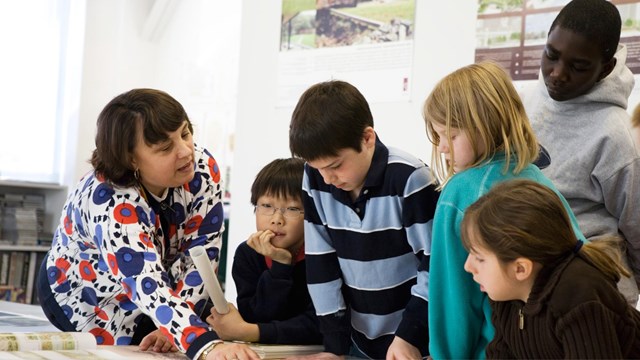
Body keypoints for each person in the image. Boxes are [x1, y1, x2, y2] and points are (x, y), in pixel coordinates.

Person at [36, 88, 258, 360]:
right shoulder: (110, 202)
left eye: (186, 133)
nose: (186, 151)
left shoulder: (201, 165)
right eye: (165, 147)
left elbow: (203, 249)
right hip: (83, 295)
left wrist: (179, 323)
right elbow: (144, 282)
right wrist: (207, 346)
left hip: (155, 282)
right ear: (130, 159)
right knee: (140, 349)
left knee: (178, 335)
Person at [424, 61, 587, 359]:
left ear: (484, 125)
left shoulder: (460, 193)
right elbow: (582, 262)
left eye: (451, 135)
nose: (443, 147)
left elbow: (453, 299)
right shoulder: (537, 180)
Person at [289, 80, 438, 359]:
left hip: (415, 341)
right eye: (317, 167)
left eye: (335, 166)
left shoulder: (410, 179)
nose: (327, 178)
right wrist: (334, 346)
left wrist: (409, 336)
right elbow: (322, 263)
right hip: (358, 343)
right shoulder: (315, 180)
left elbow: (433, 266)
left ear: (367, 138)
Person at [522, 0, 640, 304]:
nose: (558, 74)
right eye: (551, 55)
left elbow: (636, 227)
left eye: (579, 66)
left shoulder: (615, 137)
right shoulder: (531, 99)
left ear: (606, 68)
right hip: (530, 278)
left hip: (591, 290)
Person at [461, 179, 640, 358]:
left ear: (521, 269)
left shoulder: (578, 295)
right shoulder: (507, 294)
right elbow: (501, 354)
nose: (468, 266)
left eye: (479, 259)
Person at [206, 158, 322, 345]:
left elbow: (318, 326)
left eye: (292, 209)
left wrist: (249, 332)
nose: (277, 219)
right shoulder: (247, 253)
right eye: (267, 206)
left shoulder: (322, 255)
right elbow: (255, 316)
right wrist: (280, 267)